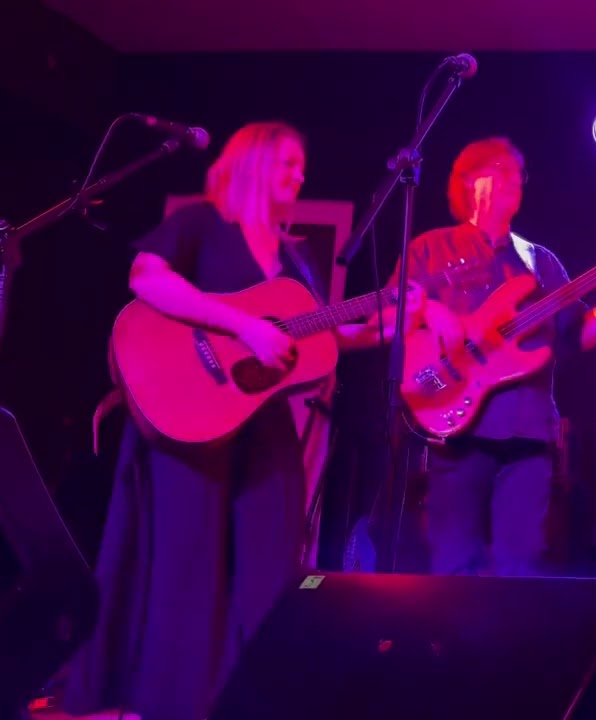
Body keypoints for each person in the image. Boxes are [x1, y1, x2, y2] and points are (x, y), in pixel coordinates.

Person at [61, 121, 419, 720]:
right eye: (288, 164)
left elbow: (316, 337)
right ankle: (175, 703)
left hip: (260, 422)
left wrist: (391, 323)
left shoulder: (296, 254)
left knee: (272, 561)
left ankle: (253, 701)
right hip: (189, 416)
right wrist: (243, 325)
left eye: (301, 166)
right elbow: (146, 278)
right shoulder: (202, 223)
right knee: (189, 560)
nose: (300, 175)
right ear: (252, 164)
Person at [385, 136, 596, 578]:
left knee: (521, 567)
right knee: (453, 566)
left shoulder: (540, 262)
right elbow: (391, 313)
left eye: (519, 174)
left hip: (527, 432)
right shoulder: (429, 249)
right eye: (504, 170)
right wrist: (431, 311)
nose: (516, 180)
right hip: (455, 426)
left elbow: (582, 332)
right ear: (471, 180)